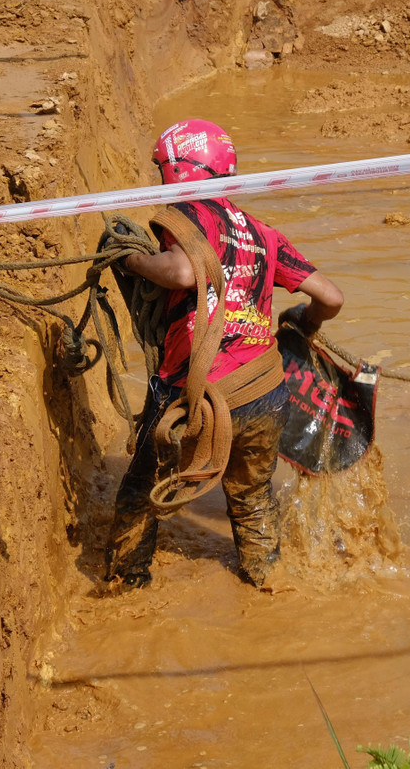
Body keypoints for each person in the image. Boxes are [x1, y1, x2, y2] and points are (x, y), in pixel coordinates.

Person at [105, 119, 344, 589]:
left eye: (161, 171)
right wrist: (306, 323)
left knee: (140, 491)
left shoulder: (188, 215)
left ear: (180, 170)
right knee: (253, 495)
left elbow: (180, 274)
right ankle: (268, 581)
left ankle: (124, 585)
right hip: (266, 390)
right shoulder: (262, 232)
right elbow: (331, 297)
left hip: (198, 393)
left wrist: (130, 260)